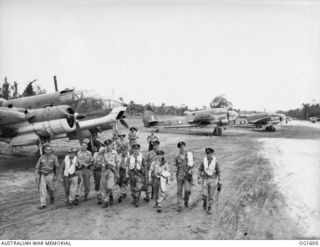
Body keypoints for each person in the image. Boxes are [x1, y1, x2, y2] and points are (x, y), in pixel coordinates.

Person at [198, 148, 221, 215]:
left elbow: (218, 171)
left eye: (210, 154)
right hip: (205, 179)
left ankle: (209, 207)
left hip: (213, 180)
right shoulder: (203, 161)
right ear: (206, 154)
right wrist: (198, 177)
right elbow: (200, 169)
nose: (209, 155)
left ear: (212, 154)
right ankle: (205, 201)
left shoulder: (215, 162)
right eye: (207, 154)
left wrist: (219, 180)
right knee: (204, 194)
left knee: (211, 195)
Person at [171, 141, 194, 212]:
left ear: (185, 147)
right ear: (178, 148)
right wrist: (172, 174)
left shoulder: (189, 155)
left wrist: (191, 170)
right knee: (179, 191)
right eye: (180, 147)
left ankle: (186, 200)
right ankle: (179, 205)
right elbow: (175, 165)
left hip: (187, 175)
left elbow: (192, 164)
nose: (182, 148)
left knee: (188, 190)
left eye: (183, 147)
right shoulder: (177, 156)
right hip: (179, 175)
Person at [35, 145, 59, 209]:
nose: (48, 151)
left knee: (51, 188)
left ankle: (52, 196)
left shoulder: (54, 157)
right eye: (47, 149)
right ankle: (43, 204)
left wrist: (56, 176)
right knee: (42, 189)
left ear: (51, 150)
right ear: (44, 150)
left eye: (49, 149)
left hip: (50, 174)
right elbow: (37, 167)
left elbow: (57, 167)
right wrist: (36, 175)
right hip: (42, 174)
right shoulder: (41, 157)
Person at [100, 139, 119, 208]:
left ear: (112, 145)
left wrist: (118, 172)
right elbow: (99, 160)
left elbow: (117, 162)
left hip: (112, 171)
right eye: (107, 145)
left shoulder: (115, 152)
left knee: (109, 187)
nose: (108, 147)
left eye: (109, 145)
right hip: (104, 171)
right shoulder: (102, 152)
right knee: (104, 187)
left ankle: (110, 195)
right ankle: (105, 201)